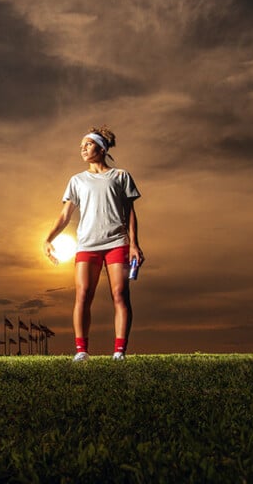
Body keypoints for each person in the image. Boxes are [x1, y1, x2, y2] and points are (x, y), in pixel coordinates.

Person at [43, 126, 144, 361]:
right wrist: (49, 238)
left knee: (120, 294)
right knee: (83, 295)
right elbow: (65, 215)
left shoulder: (121, 176)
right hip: (87, 245)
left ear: (101, 148)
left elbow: (130, 213)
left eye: (87, 144)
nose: (83, 149)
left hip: (117, 242)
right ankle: (81, 351)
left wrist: (134, 244)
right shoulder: (77, 180)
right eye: (81, 146)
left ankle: (119, 351)